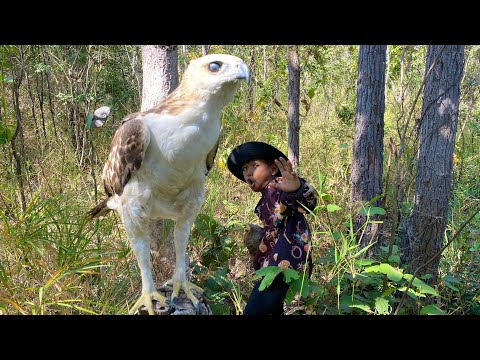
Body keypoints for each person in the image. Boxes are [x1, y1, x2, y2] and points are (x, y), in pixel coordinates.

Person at [227, 141, 318, 315]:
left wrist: (297, 188)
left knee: (255, 308)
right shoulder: (264, 199)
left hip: (286, 263)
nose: (248, 172)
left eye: (255, 165)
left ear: (273, 170)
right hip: (274, 265)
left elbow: (308, 204)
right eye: (245, 169)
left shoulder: (279, 186)